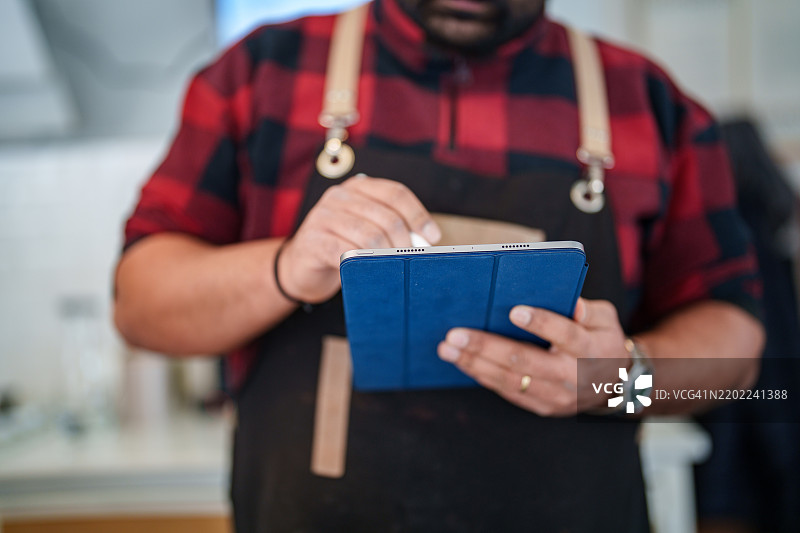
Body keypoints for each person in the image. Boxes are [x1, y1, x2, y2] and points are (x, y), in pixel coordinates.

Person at [114, 0, 765, 531]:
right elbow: (138, 307)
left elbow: (738, 353)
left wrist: (623, 380)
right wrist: (283, 267)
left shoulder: (650, 104)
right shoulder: (260, 73)